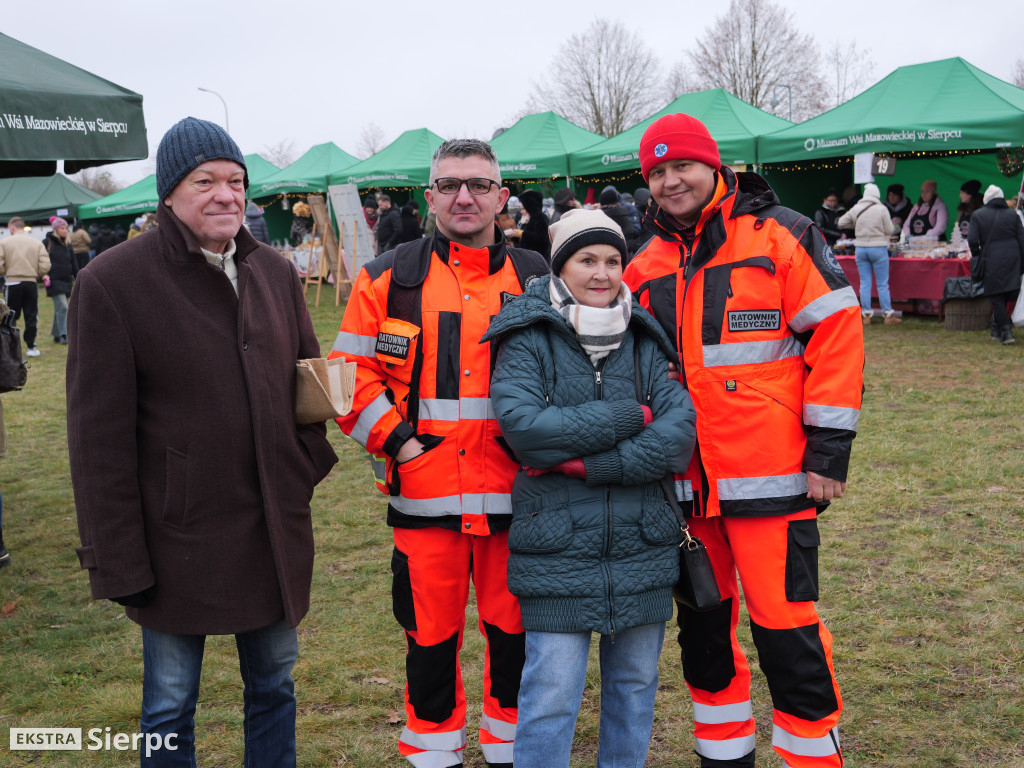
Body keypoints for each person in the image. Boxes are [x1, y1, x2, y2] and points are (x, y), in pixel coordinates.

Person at [67, 117, 338, 768]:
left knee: (274, 686)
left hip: (271, 528)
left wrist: (301, 468)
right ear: (169, 194)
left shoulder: (274, 273)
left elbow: (309, 387)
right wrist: (118, 561)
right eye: (205, 181)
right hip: (175, 540)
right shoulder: (111, 283)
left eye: (236, 181)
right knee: (168, 703)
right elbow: (97, 442)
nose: (226, 194)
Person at [623, 113, 864, 768]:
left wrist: (828, 451)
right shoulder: (641, 266)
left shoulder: (781, 235)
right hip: (684, 498)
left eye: (683, 166)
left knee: (789, 638)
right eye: (659, 170)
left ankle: (814, 757)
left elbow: (837, 337)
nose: (672, 181)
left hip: (775, 483)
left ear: (715, 166)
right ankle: (724, 758)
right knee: (703, 642)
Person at [329, 138, 549, 768]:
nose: (464, 196)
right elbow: (347, 378)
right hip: (424, 500)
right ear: (430, 197)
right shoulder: (385, 277)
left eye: (479, 185)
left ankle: (509, 752)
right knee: (429, 643)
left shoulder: (537, 276)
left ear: (501, 197)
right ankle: (433, 755)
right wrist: (400, 444)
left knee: (515, 643)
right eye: (450, 184)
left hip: (521, 499)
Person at [482, 209, 696, 768]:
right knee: (550, 696)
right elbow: (528, 432)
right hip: (555, 548)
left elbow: (677, 439)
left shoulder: (645, 336)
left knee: (634, 689)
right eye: (587, 260)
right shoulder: (526, 336)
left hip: (642, 546)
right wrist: (633, 414)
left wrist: (584, 464)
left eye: (612, 260)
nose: (602, 273)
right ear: (561, 267)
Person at [967, 184, 1024, 345]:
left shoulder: (978, 215)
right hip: (1013, 257)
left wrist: (977, 255)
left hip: (991, 257)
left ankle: (1006, 332)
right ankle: (996, 328)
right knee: (1006, 293)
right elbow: (1022, 240)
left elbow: (972, 240)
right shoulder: (1013, 215)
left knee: (997, 295)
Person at [838, 183, 898, 325]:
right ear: (877, 195)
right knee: (882, 283)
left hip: (861, 249)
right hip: (878, 248)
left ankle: (866, 315)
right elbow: (889, 230)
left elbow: (841, 222)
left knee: (865, 283)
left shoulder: (856, 209)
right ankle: (888, 315)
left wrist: (856, 224)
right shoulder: (881, 209)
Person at [0, 216, 50, 358]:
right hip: (30, 282)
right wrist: (37, 275)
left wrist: (6, 272)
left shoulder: (4, 242)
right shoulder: (36, 243)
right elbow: (45, 265)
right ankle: (31, 346)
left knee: (10, 316)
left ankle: (11, 346)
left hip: (12, 282)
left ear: (12, 228)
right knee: (31, 315)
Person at [43, 217, 74, 344]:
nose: (65, 231)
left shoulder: (68, 243)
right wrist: (43, 274)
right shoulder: (47, 242)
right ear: (56, 229)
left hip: (66, 279)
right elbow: (42, 259)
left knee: (60, 308)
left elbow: (73, 261)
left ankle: (56, 334)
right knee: (63, 307)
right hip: (54, 280)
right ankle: (64, 334)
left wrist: (79, 275)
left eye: (66, 228)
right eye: (62, 228)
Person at [505, 189, 550, 261]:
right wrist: (514, 235)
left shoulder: (540, 218)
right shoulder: (528, 218)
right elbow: (524, 240)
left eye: (523, 209)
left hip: (537, 260)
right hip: (527, 259)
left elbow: (541, 238)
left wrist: (520, 233)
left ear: (530, 207)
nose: (521, 211)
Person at [598, 186, 638, 256]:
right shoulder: (624, 213)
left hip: (611, 256)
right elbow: (633, 230)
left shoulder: (601, 218)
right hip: (629, 254)